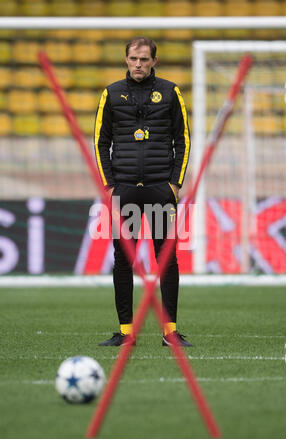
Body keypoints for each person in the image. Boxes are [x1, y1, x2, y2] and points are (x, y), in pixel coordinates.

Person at [94, 37, 192, 347]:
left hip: (160, 190)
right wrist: (110, 186)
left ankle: (170, 331)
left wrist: (174, 183)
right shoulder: (110, 94)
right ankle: (125, 332)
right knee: (123, 261)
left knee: (167, 260)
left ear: (154, 62)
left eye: (144, 59)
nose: (138, 64)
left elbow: (183, 139)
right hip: (124, 191)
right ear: (126, 60)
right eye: (134, 59)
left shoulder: (170, 91)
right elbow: (100, 142)